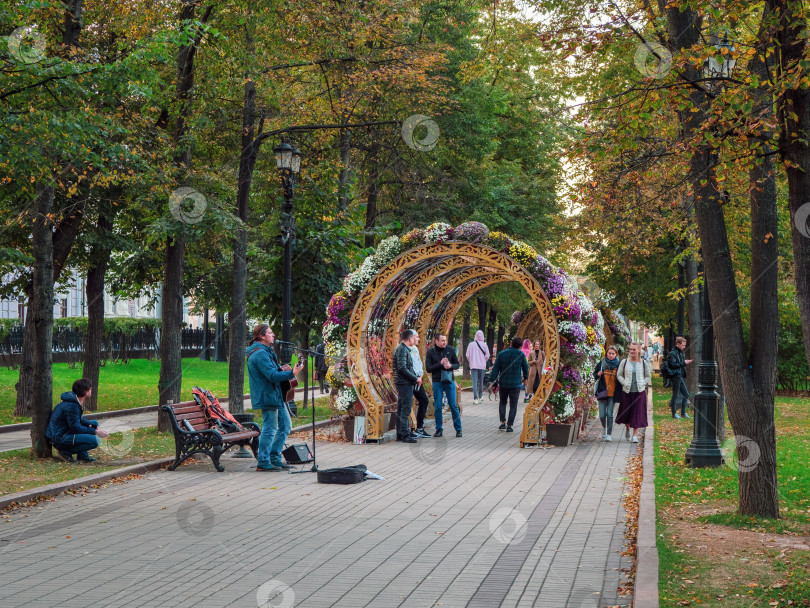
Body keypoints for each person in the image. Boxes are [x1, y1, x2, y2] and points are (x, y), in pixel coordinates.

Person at [246, 324, 304, 471]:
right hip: (267, 395)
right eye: (270, 333)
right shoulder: (259, 354)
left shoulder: (265, 352)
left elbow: (274, 371)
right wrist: (292, 373)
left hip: (275, 395)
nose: (273, 335)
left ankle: (274, 457)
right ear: (261, 336)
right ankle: (263, 461)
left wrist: (288, 370)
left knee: (285, 426)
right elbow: (272, 376)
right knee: (270, 428)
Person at [46, 379, 110, 463]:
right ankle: (65, 453)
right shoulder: (72, 406)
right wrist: (95, 432)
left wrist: (93, 426)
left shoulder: (74, 401)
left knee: (94, 423)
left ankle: (82, 456)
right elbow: (75, 428)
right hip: (60, 437)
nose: (91, 391)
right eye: (90, 389)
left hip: (63, 432)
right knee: (95, 441)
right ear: (85, 392)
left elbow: (79, 419)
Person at [487, 336, 529, 432]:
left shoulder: (501, 354)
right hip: (516, 384)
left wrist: (492, 380)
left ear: (511, 343)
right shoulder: (521, 354)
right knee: (513, 405)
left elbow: (495, 368)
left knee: (502, 402)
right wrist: (526, 378)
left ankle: (502, 423)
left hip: (503, 383)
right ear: (520, 346)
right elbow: (526, 368)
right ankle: (510, 425)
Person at [425, 333, 462, 437]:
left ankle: (458, 429)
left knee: (453, 405)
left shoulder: (450, 349)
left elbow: (457, 364)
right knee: (437, 406)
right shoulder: (431, 352)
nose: (444, 342)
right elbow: (428, 368)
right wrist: (440, 364)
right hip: (437, 381)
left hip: (449, 380)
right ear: (436, 341)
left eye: (445, 340)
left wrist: (450, 366)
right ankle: (439, 429)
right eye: (442, 341)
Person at [615, 342, 652, 443]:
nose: (631, 351)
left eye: (634, 349)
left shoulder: (643, 363)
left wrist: (643, 383)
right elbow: (619, 375)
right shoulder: (624, 362)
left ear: (639, 350)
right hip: (627, 392)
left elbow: (648, 376)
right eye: (630, 349)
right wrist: (624, 382)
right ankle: (628, 429)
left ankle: (635, 436)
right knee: (626, 414)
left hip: (639, 392)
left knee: (637, 414)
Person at [393, 329, 419, 443]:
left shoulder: (403, 349)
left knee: (402, 408)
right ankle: (404, 434)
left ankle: (400, 433)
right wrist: (414, 378)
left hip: (404, 382)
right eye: (413, 337)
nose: (414, 339)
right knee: (405, 409)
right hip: (404, 383)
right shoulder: (402, 349)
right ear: (409, 339)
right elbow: (402, 368)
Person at [593, 346, 621, 441]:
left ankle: (609, 434)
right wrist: (598, 374)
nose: (611, 355)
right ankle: (604, 428)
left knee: (610, 414)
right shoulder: (601, 364)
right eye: (609, 353)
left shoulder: (618, 365)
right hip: (602, 392)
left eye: (613, 353)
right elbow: (594, 374)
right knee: (601, 415)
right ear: (606, 354)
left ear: (616, 354)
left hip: (613, 393)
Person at [409, 332, 431, 438]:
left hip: (418, 379)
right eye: (417, 337)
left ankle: (419, 428)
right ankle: (412, 429)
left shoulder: (415, 349)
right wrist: (415, 377)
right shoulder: (406, 349)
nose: (418, 339)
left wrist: (421, 375)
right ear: (411, 337)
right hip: (411, 380)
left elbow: (419, 363)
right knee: (411, 402)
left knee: (424, 400)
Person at [667, 336, 693, 419]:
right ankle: (674, 414)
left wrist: (684, 362)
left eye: (685, 345)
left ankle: (683, 413)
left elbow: (680, 364)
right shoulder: (672, 353)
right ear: (678, 344)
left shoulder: (680, 353)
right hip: (675, 376)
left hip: (680, 376)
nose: (684, 347)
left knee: (686, 394)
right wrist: (684, 363)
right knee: (675, 395)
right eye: (683, 345)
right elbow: (673, 365)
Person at [465, 330, 490, 405]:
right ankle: (480, 396)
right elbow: (487, 356)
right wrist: (483, 360)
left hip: (473, 366)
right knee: (481, 382)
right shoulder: (484, 345)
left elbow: (467, 355)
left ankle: (475, 399)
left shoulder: (471, 344)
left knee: (474, 382)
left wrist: (472, 361)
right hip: (482, 366)